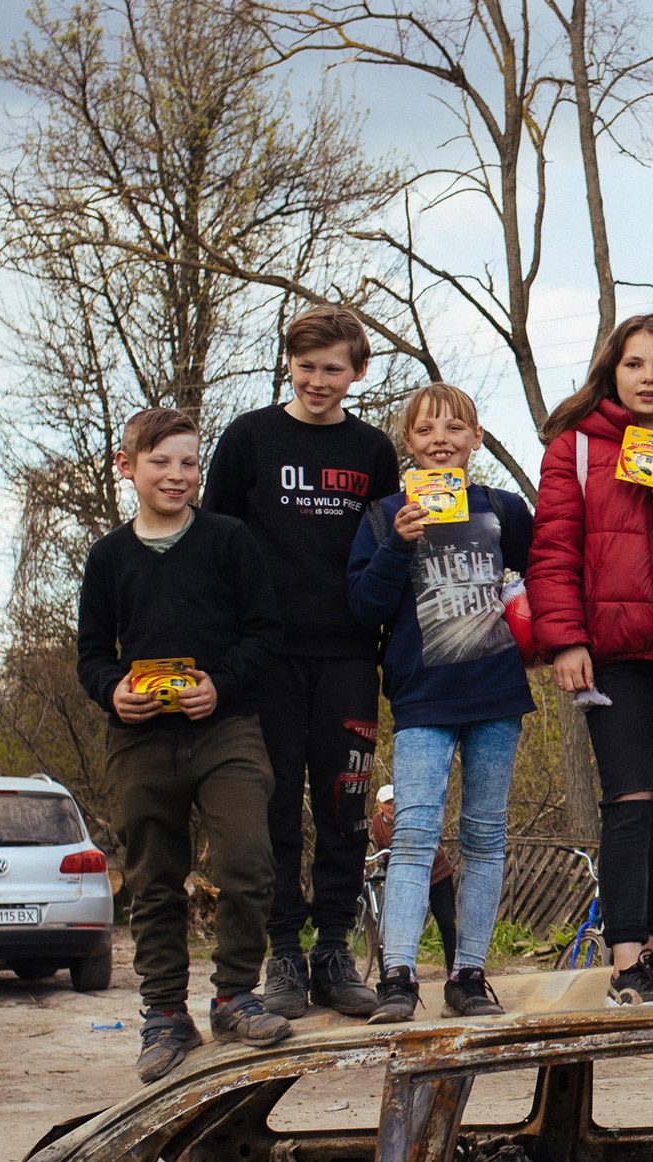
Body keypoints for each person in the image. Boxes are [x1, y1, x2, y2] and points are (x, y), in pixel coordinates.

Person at [76, 408, 288, 1081]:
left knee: (248, 861)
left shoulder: (229, 541)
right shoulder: (108, 557)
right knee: (152, 880)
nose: (176, 475)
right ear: (128, 466)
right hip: (139, 740)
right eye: (161, 461)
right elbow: (90, 654)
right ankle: (165, 1016)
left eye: (189, 462)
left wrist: (219, 687)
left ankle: (234, 996)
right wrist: (113, 690)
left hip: (225, 730)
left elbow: (265, 632)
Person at [203, 304, 400, 1021]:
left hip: (349, 654)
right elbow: (212, 544)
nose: (319, 382)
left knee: (346, 810)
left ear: (358, 372)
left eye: (334, 370)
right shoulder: (249, 438)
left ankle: (334, 951)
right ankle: (284, 953)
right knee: (277, 807)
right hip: (266, 658)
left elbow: (388, 553)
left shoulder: (374, 451)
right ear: (289, 362)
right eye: (307, 367)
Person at [527, 312, 653, 1004]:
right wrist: (566, 640)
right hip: (611, 653)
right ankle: (624, 964)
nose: (648, 377)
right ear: (612, 370)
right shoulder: (575, 449)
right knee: (630, 801)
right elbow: (552, 551)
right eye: (636, 363)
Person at [347, 383, 534, 1023]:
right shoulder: (381, 516)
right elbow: (364, 608)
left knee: (485, 836)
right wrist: (398, 544)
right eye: (426, 431)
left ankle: (470, 974)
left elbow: (542, 584)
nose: (441, 441)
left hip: (496, 693)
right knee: (414, 835)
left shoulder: (504, 510)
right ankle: (398, 976)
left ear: (476, 439)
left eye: (455, 428)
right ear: (409, 442)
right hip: (422, 699)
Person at [369, 787, 458, 971]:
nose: (392, 806)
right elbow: (382, 848)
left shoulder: (411, 817)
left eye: (395, 801)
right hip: (405, 876)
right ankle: (399, 970)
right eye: (387, 803)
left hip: (436, 873)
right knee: (400, 923)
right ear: (379, 806)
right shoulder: (377, 823)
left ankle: (454, 970)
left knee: (446, 922)